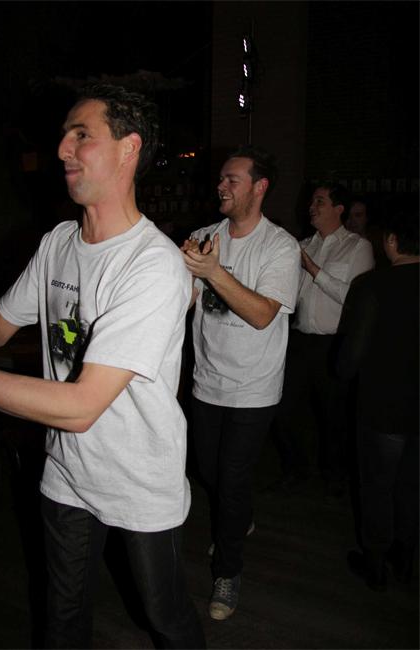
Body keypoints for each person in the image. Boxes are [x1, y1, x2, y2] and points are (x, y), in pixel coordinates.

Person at [0, 83, 205, 649]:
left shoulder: (152, 265)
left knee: (165, 618)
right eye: (64, 135)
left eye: (82, 135)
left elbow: (82, 406)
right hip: (67, 471)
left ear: (129, 149)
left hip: (139, 478)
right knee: (61, 615)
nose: (63, 149)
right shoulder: (58, 242)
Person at [181, 145, 301, 621]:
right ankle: (240, 517)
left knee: (231, 479)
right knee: (209, 471)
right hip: (205, 380)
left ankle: (227, 572)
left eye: (232, 180)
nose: (221, 186)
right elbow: (185, 302)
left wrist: (213, 272)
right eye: (221, 179)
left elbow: (262, 313)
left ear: (259, 187)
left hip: (254, 387)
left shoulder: (280, 246)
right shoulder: (203, 237)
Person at [275, 182, 375, 498]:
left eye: (320, 201)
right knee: (281, 408)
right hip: (300, 341)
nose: (312, 206)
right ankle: (296, 468)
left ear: (339, 209)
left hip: (335, 343)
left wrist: (313, 269)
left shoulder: (357, 247)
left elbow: (354, 299)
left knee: (334, 416)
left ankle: (334, 475)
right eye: (312, 201)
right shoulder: (303, 244)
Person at [336, 211, 419, 591]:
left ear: (391, 241)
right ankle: (406, 559)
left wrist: (341, 372)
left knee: (377, 487)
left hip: (383, 406)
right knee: (411, 486)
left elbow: (351, 357)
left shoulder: (373, 285)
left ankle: (375, 565)